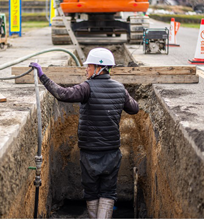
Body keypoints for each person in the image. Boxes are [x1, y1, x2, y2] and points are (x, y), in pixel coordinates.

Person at [30, 48, 139, 219]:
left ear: (99, 68)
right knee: (108, 191)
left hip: (90, 154)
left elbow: (62, 94)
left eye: (89, 66)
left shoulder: (87, 88)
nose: (86, 69)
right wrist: (121, 95)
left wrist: (42, 76)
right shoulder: (119, 88)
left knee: (91, 191)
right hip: (112, 153)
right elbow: (134, 108)